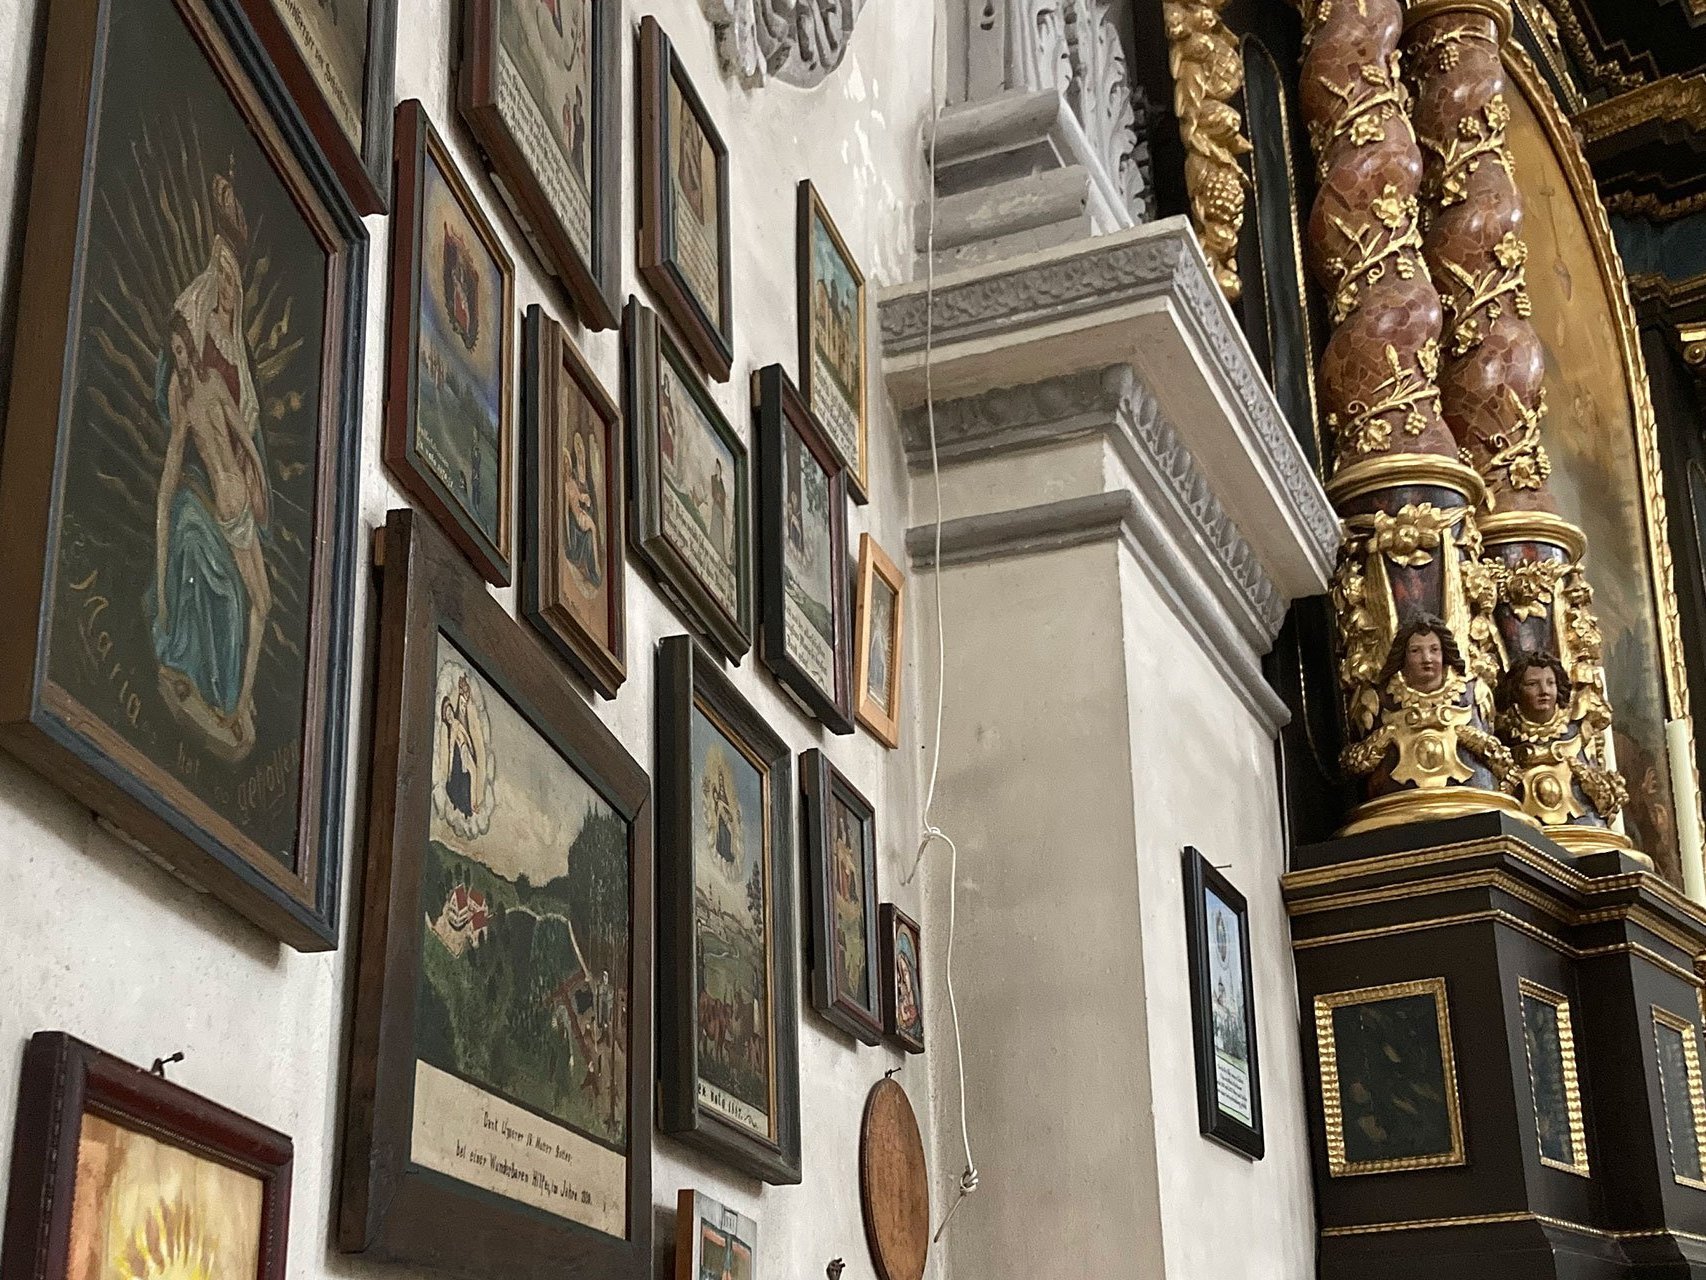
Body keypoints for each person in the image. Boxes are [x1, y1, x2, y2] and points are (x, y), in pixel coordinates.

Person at [151, 180, 272, 758]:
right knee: (203, 552)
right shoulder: (194, 369)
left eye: (232, 280)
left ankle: (236, 699)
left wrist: (256, 476)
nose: (225, 288)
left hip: (231, 494)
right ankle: (216, 685)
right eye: (219, 276)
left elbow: (248, 438)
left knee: (258, 601)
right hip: (210, 489)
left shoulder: (231, 368)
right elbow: (177, 457)